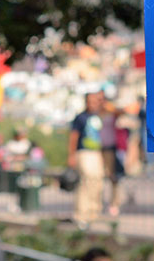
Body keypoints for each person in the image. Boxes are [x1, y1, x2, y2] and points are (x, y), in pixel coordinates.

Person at [68, 91, 106, 227]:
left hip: (96, 152)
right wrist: (71, 155)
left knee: (97, 181)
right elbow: (74, 136)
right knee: (86, 180)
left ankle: (93, 211)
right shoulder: (80, 117)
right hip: (83, 152)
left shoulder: (98, 116)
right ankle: (81, 213)